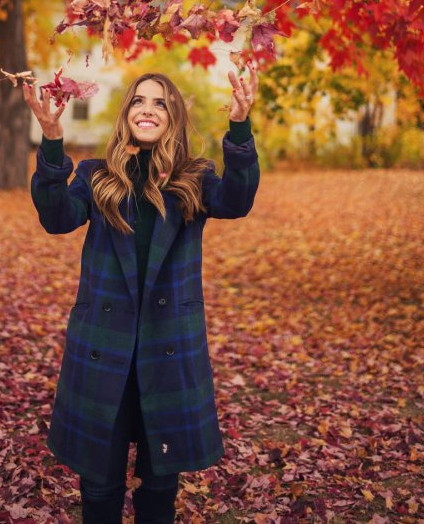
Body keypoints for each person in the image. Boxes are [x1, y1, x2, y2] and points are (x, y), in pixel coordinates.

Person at [23, 67, 259, 524]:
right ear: (126, 113)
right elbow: (56, 218)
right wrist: (52, 142)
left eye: (160, 103)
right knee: (99, 485)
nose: (148, 109)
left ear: (172, 118)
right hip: (104, 348)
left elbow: (238, 199)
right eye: (138, 101)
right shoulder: (97, 175)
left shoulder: (194, 177)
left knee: (159, 487)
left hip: (166, 348)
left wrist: (240, 126)